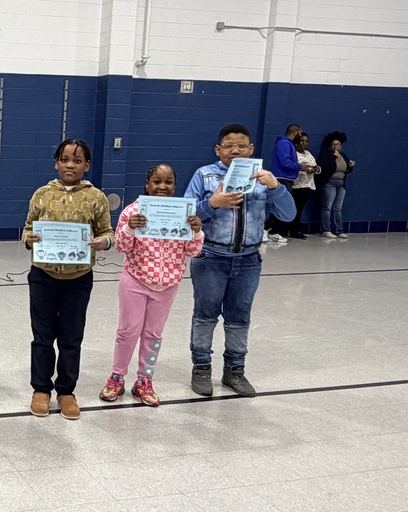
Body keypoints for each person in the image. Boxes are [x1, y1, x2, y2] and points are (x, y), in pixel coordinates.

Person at [184, 124, 296, 397]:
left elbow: (288, 216)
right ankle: (201, 368)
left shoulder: (263, 179)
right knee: (205, 316)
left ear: (251, 149)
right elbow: (185, 217)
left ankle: (235, 370)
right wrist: (212, 204)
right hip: (210, 257)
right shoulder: (204, 175)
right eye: (229, 145)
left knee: (239, 319)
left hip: (247, 260)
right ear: (218, 149)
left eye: (241, 145)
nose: (235, 150)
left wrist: (276, 187)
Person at [23, 139, 114, 420]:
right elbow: (27, 228)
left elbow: (108, 232)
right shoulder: (41, 194)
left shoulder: (97, 197)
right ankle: (41, 389)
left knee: (71, 339)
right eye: (64, 159)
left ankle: (66, 391)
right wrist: (29, 239)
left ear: (86, 165)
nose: (70, 165)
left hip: (78, 279)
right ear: (56, 163)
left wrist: (103, 242)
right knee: (42, 337)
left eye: (76, 160)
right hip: (43, 276)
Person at [101, 164, 204, 407]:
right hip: (135, 280)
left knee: (153, 334)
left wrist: (196, 232)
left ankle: (144, 380)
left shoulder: (184, 214)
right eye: (157, 181)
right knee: (128, 331)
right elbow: (121, 247)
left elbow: (194, 251)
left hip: (167, 285)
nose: (162, 186)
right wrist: (129, 228)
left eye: (168, 182)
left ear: (174, 186)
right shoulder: (133, 212)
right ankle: (117, 376)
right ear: (147, 184)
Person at [265, 123, 302, 243]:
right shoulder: (284, 143)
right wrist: (300, 166)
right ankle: (264, 229)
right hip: (282, 178)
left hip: (288, 178)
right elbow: (285, 161)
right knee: (280, 206)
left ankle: (274, 232)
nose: (301, 136)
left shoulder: (289, 144)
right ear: (295, 132)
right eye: (300, 133)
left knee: (285, 208)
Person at [316, 131, 355, 239]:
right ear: (330, 145)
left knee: (337, 208)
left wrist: (350, 166)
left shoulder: (343, 155)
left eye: (338, 144)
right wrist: (334, 157)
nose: (336, 146)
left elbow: (346, 169)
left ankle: (339, 230)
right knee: (327, 207)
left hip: (341, 183)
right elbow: (325, 168)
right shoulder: (326, 155)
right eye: (334, 144)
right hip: (329, 183)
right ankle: (326, 229)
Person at [289, 133, 319, 239]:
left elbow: (314, 165)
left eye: (306, 141)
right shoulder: (293, 153)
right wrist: (303, 168)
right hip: (296, 185)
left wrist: (313, 169)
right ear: (297, 142)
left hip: (307, 185)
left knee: (300, 208)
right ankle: (291, 230)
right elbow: (292, 165)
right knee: (293, 208)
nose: (304, 143)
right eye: (302, 141)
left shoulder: (308, 153)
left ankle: (295, 229)